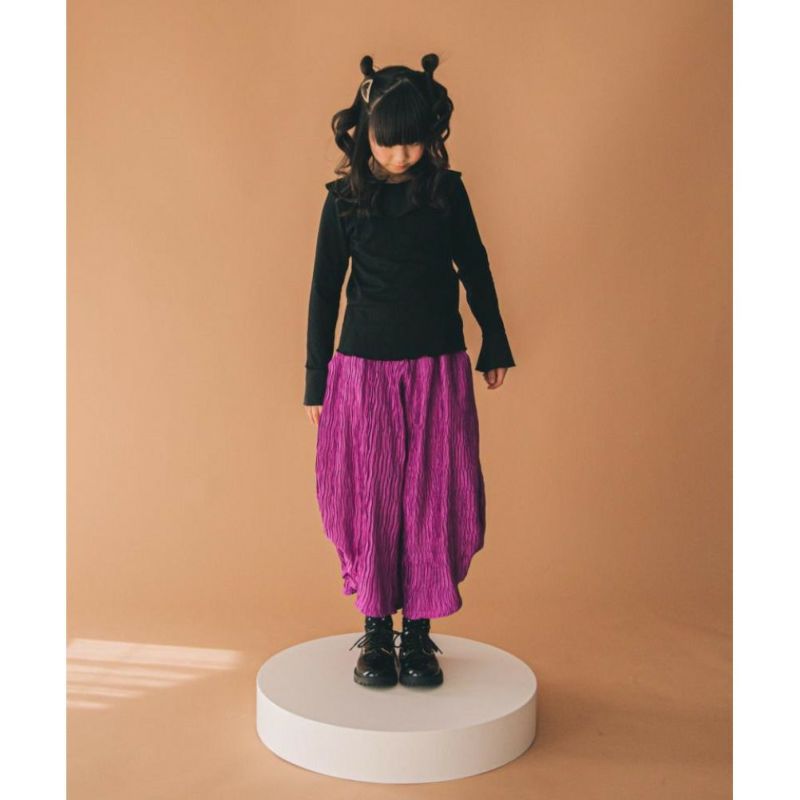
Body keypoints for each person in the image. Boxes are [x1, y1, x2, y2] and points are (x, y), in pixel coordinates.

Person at [303, 53, 516, 688]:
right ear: (364, 133)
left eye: (413, 142)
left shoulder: (446, 194)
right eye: (387, 142)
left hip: (437, 366)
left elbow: (475, 265)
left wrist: (495, 340)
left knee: (433, 492)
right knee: (370, 494)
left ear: (433, 135)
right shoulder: (343, 202)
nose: (400, 155)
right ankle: (375, 629)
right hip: (362, 369)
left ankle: (418, 634)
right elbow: (323, 292)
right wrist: (316, 379)